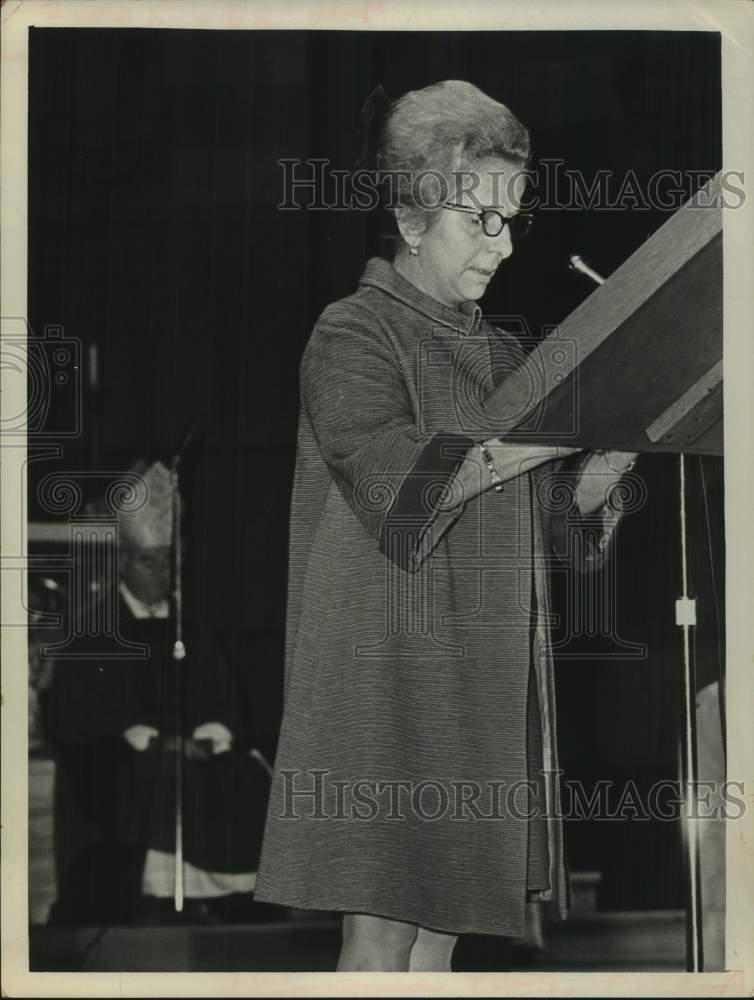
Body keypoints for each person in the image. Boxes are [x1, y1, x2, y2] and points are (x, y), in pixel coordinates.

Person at [254, 80, 638, 971]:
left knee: (439, 947)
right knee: (380, 939)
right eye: (481, 222)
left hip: (476, 678)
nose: (503, 248)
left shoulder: (498, 352)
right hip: (383, 676)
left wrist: (620, 436)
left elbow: (550, 522)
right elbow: (398, 484)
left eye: (513, 221)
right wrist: (553, 431)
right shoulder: (351, 333)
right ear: (414, 218)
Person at [44, 460, 265, 924]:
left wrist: (211, 732)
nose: (161, 573)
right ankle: (153, 900)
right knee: (161, 773)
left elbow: (223, 698)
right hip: (115, 767)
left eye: (168, 561)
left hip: (194, 757)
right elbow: (74, 718)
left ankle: (228, 905)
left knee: (249, 773)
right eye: (149, 561)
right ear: (123, 562)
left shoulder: (192, 630)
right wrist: (141, 738)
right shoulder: (94, 635)